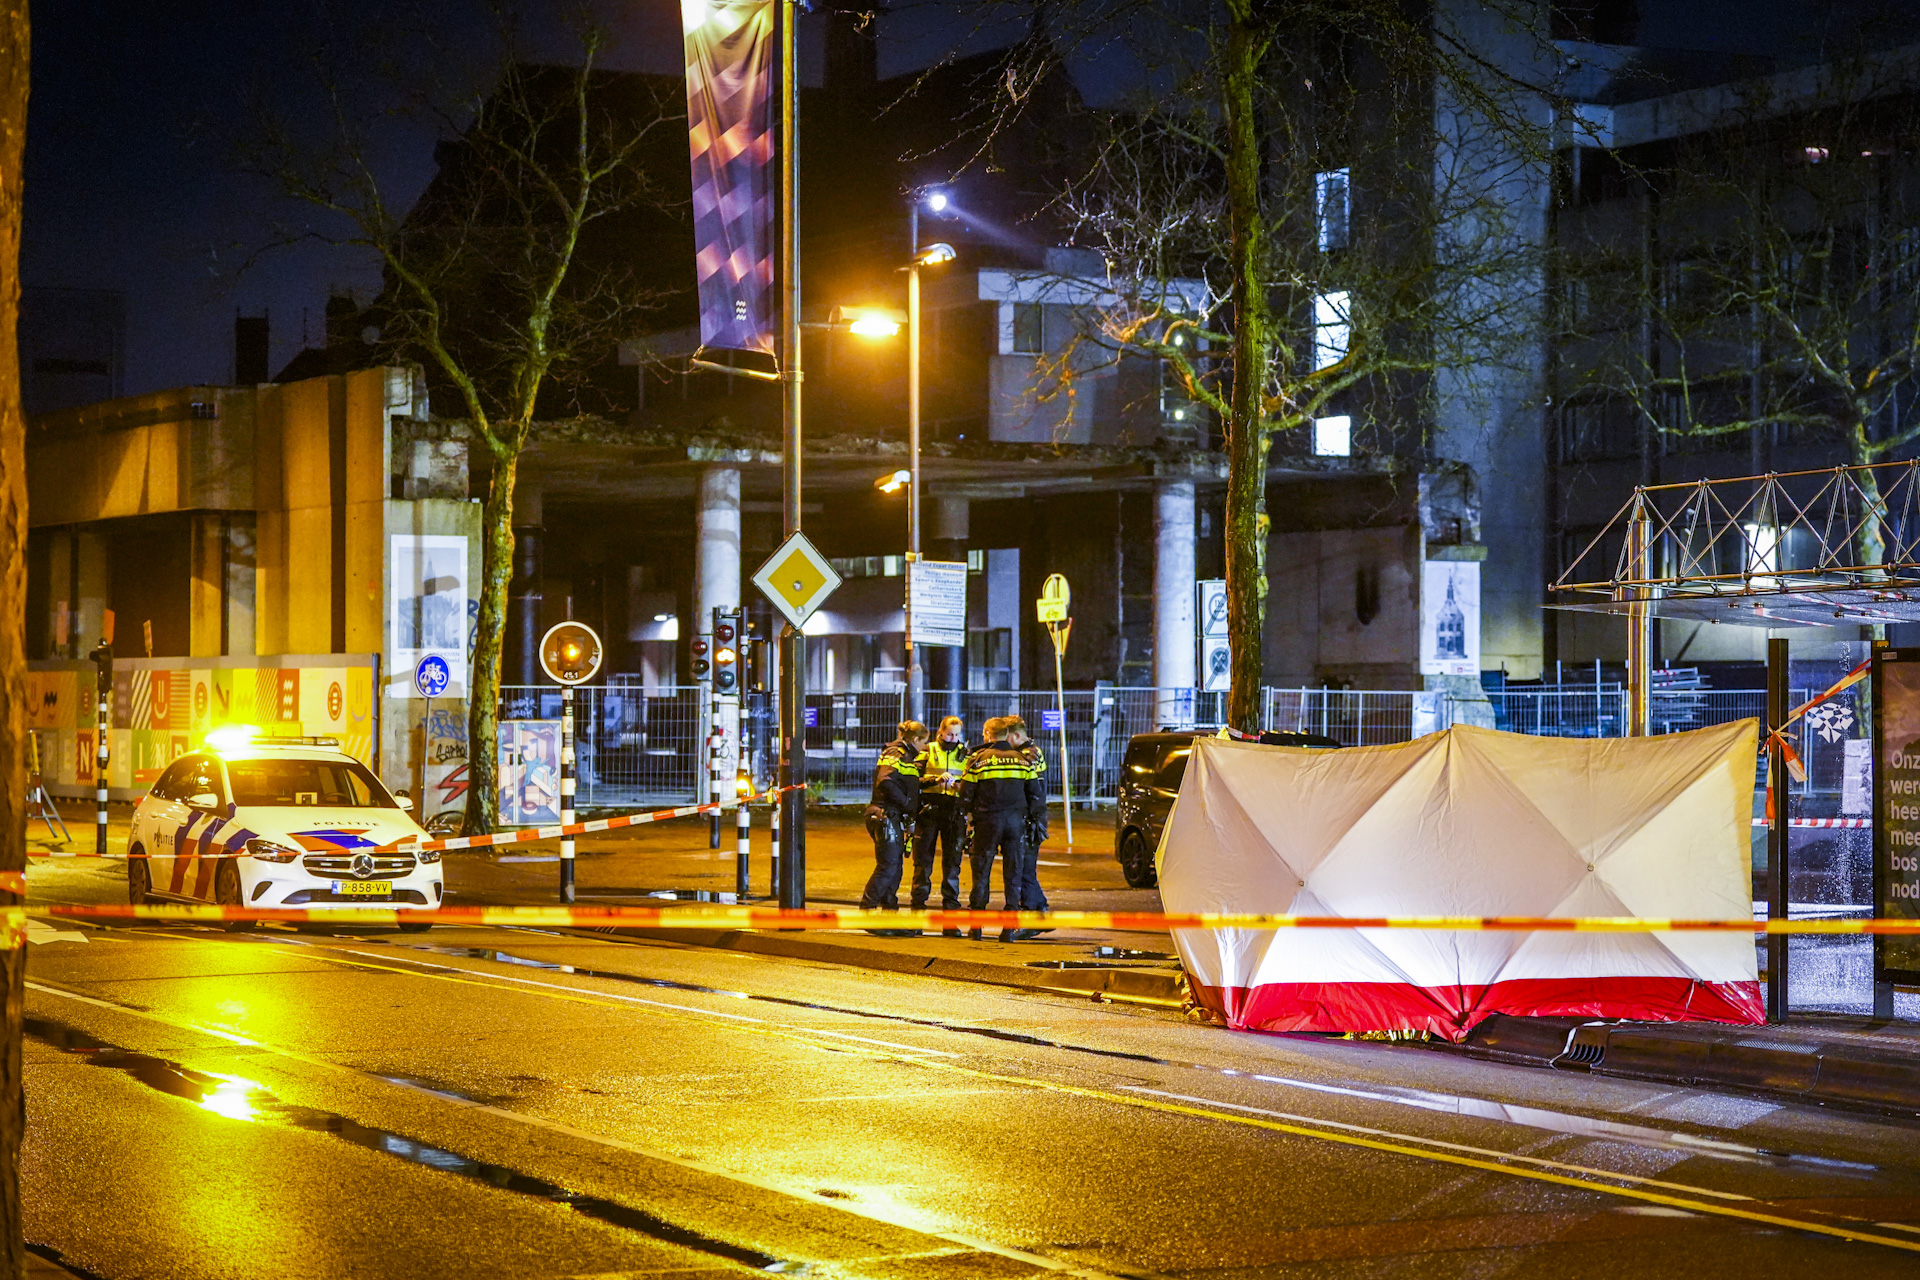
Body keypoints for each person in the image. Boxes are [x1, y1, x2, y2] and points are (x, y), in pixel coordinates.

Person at [958, 716, 1048, 941]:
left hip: (987, 823)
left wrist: (965, 818)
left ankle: (976, 927)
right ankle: (1008, 930)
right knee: (1013, 876)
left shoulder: (978, 760)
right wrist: (1033, 820)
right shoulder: (1023, 760)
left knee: (981, 874)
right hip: (1015, 825)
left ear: (988, 735)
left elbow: (965, 795)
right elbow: (1036, 796)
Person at [860, 720, 928, 924]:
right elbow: (886, 780)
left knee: (895, 866)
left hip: (891, 815)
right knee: (888, 865)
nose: (924, 747)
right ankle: (867, 908)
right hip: (885, 814)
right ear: (915, 739)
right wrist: (907, 803)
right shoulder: (896, 754)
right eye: (923, 742)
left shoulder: (903, 756)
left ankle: (889, 910)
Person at [912, 716, 969, 924]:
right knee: (923, 863)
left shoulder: (965, 753)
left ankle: (950, 917)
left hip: (954, 812)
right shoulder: (928, 750)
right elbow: (913, 779)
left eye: (957, 734)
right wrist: (934, 780)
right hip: (929, 811)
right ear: (941, 732)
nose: (953, 738)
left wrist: (959, 787)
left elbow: (971, 783)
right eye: (949, 734)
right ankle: (917, 914)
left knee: (953, 864)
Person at [1006, 718, 1051, 916]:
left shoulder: (1027, 755)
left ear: (1016, 736)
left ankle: (1037, 911)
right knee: (1024, 867)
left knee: (1024, 868)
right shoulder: (1031, 751)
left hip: (1030, 819)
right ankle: (1037, 909)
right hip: (1032, 817)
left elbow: (1030, 791)